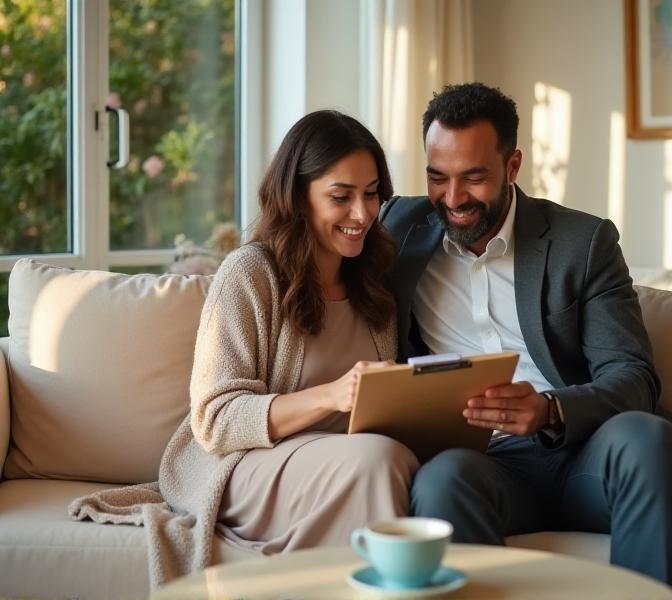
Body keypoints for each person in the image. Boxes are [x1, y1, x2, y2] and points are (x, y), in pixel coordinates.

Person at [380, 83, 672, 598]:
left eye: (474, 177)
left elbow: (633, 377)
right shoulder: (398, 228)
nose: (452, 200)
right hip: (487, 466)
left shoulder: (582, 242)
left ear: (513, 165)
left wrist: (549, 410)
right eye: (437, 177)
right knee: (441, 477)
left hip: (584, 454)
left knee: (647, 437)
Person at [70, 110, 418, 587]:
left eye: (372, 193)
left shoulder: (375, 281)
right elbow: (214, 419)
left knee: (397, 459)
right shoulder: (250, 273)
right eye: (341, 196)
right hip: (245, 465)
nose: (362, 214)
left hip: (343, 460)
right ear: (298, 196)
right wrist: (331, 396)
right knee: (379, 461)